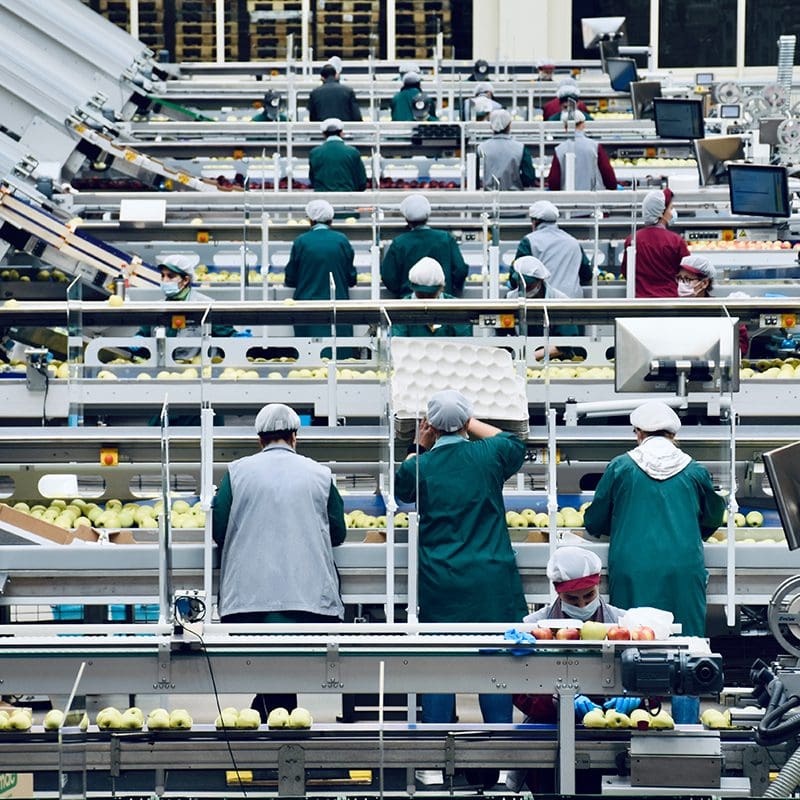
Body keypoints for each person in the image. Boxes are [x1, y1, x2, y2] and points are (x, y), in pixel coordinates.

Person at [395, 390, 527, 785]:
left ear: (429, 425)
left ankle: (436, 765)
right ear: (467, 421)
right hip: (491, 581)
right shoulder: (489, 456)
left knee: (440, 667)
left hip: (443, 581)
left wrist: (420, 443)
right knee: (497, 668)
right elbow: (514, 441)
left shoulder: (421, 466)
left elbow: (403, 490)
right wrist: (468, 422)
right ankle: (502, 764)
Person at [583, 400, 726, 723]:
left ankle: (633, 722)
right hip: (682, 568)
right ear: (673, 436)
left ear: (639, 433)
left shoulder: (621, 467)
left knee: (630, 647)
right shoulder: (694, 469)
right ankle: (687, 727)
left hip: (633, 567)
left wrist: (619, 523)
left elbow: (594, 521)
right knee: (688, 646)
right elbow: (713, 516)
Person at [213, 403, 346, 720]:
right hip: (310, 604)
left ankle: (268, 739)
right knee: (281, 672)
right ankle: (276, 741)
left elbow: (219, 530)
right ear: (294, 436)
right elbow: (338, 533)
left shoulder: (236, 473)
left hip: (246, 605)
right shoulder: (320, 474)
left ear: (259, 439)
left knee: (273, 672)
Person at [507, 546, 629, 794]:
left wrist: (634, 696)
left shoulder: (623, 624)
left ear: (599, 586)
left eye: (589, 595)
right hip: (550, 730)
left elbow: (654, 679)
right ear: (558, 592)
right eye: (573, 599)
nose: (582, 604)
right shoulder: (534, 628)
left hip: (611, 730)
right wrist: (557, 700)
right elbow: (520, 692)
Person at [285, 199, 357, 343]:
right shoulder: (342, 240)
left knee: (309, 355)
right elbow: (351, 278)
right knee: (340, 353)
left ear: (311, 220)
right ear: (331, 220)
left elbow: (291, 278)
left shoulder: (301, 241)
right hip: (338, 305)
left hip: (307, 307)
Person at [380, 195, 468, 297]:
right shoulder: (445, 238)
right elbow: (460, 270)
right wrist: (451, 288)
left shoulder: (400, 243)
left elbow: (389, 277)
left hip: (408, 303)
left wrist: (402, 291)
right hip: (443, 300)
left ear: (407, 219)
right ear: (427, 216)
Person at [505, 256, 580, 360]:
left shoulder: (559, 300)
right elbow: (503, 338)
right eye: (521, 284)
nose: (524, 289)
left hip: (556, 361)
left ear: (539, 281)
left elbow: (565, 343)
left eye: (528, 285)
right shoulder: (510, 299)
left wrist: (530, 357)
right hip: (520, 361)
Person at [621, 188, 690, 298]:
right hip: (670, 301)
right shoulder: (675, 241)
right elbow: (688, 274)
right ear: (661, 213)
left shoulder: (632, 240)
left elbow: (626, 272)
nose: (672, 212)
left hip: (640, 302)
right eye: (670, 208)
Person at [677, 254, 749, 356]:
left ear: (704, 283)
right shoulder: (672, 308)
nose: (681, 284)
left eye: (687, 279)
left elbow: (740, 346)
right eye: (679, 278)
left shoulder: (720, 309)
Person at [515, 200, 587, 298]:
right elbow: (587, 275)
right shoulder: (573, 241)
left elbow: (518, 276)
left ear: (534, 221)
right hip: (572, 302)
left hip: (545, 300)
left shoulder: (529, 241)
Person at [390, 257, 472, 337]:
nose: (426, 298)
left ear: (441, 288)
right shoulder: (402, 309)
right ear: (412, 288)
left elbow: (465, 341)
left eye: (431, 294)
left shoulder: (456, 308)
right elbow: (397, 343)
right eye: (421, 294)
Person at [547, 110, 617, 191]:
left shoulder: (560, 149)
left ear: (565, 128)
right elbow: (609, 178)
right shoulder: (595, 147)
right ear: (583, 125)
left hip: (568, 199)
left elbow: (553, 182)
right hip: (594, 199)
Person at [477, 109, 536, 191]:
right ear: (509, 125)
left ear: (491, 126)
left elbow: (474, 177)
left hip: (488, 198)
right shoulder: (521, 148)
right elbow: (529, 177)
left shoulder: (481, 148)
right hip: (514, 198)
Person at [308, 118, 367, 192]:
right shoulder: (353, 152)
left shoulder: (315, 153)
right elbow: (362, 182)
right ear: (342, 133)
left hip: (323, 198)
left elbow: (312, 179)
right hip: (347, 198)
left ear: (323, 134)